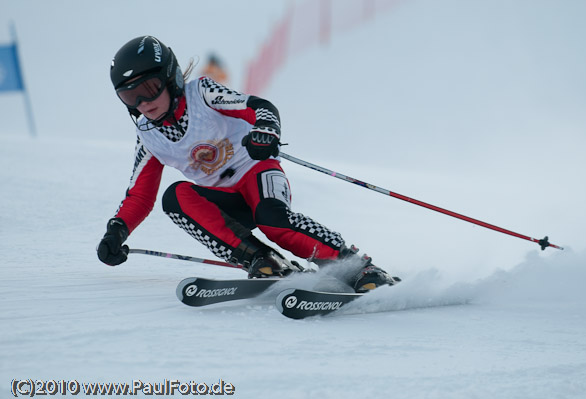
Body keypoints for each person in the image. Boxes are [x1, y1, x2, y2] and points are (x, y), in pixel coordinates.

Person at [97, 36, 397, 293]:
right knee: (174, 198)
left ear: (170, 77)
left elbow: (257, 107)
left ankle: (357, 268)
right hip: (225, 199)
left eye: (148, 88)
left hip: (256, 172)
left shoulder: (201, 93)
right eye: (129, 95)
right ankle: (263, 260)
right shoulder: (149, 137)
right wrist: (117, 232)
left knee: (272, 220)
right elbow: (139, 195)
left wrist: (265, 130)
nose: (143, 103)